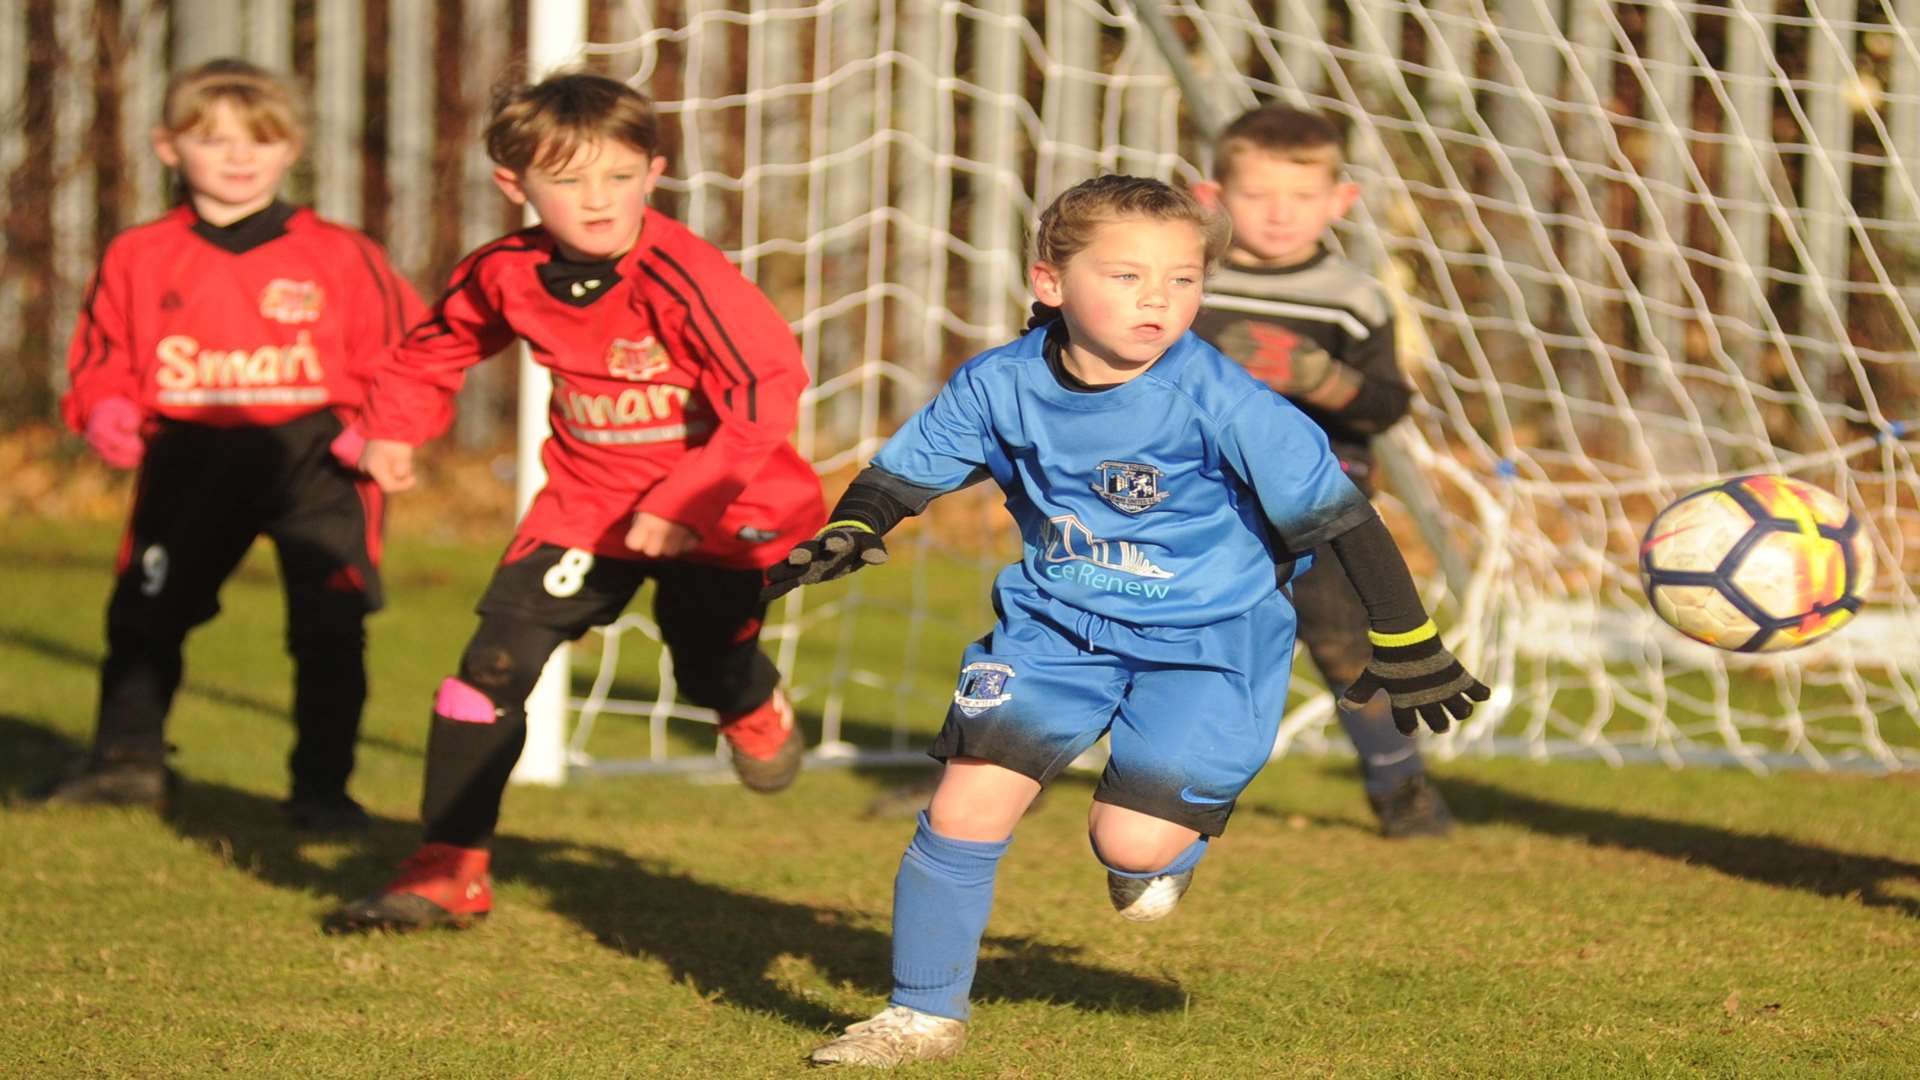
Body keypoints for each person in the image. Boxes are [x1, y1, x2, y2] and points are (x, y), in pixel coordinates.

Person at [767, 175, 1487, 1067]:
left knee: (1130, 842)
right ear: (1050, 282)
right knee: (966, 803)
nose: (1158, 299)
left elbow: (1342, 517)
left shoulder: (1224, 398)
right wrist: (853, 525)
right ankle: (922, 1016)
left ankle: (1158, 850)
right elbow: (905, 473)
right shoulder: (999, 382)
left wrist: (1407, 635)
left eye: (1183, 280)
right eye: (1126, 276)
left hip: (1209, 642)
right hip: (1054, 628)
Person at [325, 71, 824, 933]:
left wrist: (682, 501)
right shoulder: (504, 272)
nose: (598, 201)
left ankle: (747, 702)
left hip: (716, 505)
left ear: (654, 170)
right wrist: (392, 428)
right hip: (587, 507)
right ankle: (446, 872)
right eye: (568, 179)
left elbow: (764, 393)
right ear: (514, 185)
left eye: (619, 177)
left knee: (706, 661)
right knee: (488, 673)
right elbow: (431, 349)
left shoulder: (684, 275)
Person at [42, 59, 426, 830]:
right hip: (189, 454)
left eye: (260, 139)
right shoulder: (138, 254)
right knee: (146, 614)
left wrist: (386, 430)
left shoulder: (340, 254)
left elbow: (409, 352)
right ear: (168, 148)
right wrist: (106, 410)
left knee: (328, 626)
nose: (239, 157)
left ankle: (322, 789)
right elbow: (99, 356)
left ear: (291, 149)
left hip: (319, 457)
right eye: (213, 140)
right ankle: (126, 763)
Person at [1191, 103, 1452, 838]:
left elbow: (1386, 405)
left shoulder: (1354, 298)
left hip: (1318, 510)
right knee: (1131, 640)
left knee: (1349, 652)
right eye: (1257, 196)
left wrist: (1324, 379)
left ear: (1341, 202)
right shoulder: (1184, 285)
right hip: (1195, 509)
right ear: (1212, 198)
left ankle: (1404, 795)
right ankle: (1013, 776)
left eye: (1302, 198)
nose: (1279, 215)